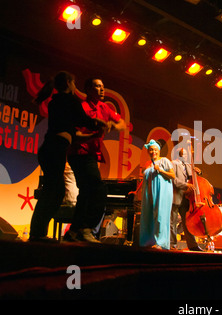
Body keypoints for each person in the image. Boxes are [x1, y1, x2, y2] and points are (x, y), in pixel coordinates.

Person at [29, 71, 105, 242]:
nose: (75, 86)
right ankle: (37, 233)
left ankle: (37, 232)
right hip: (54, 149)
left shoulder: (58, 102)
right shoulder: (69, 101)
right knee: (54, 191)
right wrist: (99, 123)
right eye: (74, 83)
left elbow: (73, 133)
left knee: (54, 191)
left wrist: (93, 134)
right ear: (69, 83)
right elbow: (84, 119)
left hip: (52, 149)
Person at [65, 77, 126, 243]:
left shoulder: (104, 107)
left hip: (91, 155)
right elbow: (73, 136)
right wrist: (93, 135)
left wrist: (112, 125)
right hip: (79, 153)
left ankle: (73, 232)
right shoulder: (82, 108)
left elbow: (122, 123)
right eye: (97, 86)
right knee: (98, 189)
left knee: (85, 193)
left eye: (103, 86)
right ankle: (87, 228)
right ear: (88, 89)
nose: (102, 89)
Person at [132, 140, 175, 249]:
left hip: (162, 192)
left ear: (159, 151)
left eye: (155, 149)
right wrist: (136, 191)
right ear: (148, 151)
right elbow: (144, 180)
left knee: (160, 215)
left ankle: (161, 243)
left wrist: (160, 170)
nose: (153, 152)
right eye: (151, 150)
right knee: (148, 215)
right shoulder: (147, 164)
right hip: (149, 192)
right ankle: (148, 241)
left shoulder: (164, 161)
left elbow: (172, 176)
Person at [170, 148, 203, 251]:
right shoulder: (173, 163)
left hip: (186, 198)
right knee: (173, 222)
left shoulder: (188, 165)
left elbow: (193, 178)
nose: (185, 156)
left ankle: (192, 245)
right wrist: (186, 185)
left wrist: (198, 172)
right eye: (183, 154)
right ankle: (172, 244)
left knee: (187, 222)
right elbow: (173, 179)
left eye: (186, 155)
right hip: (176, 196)